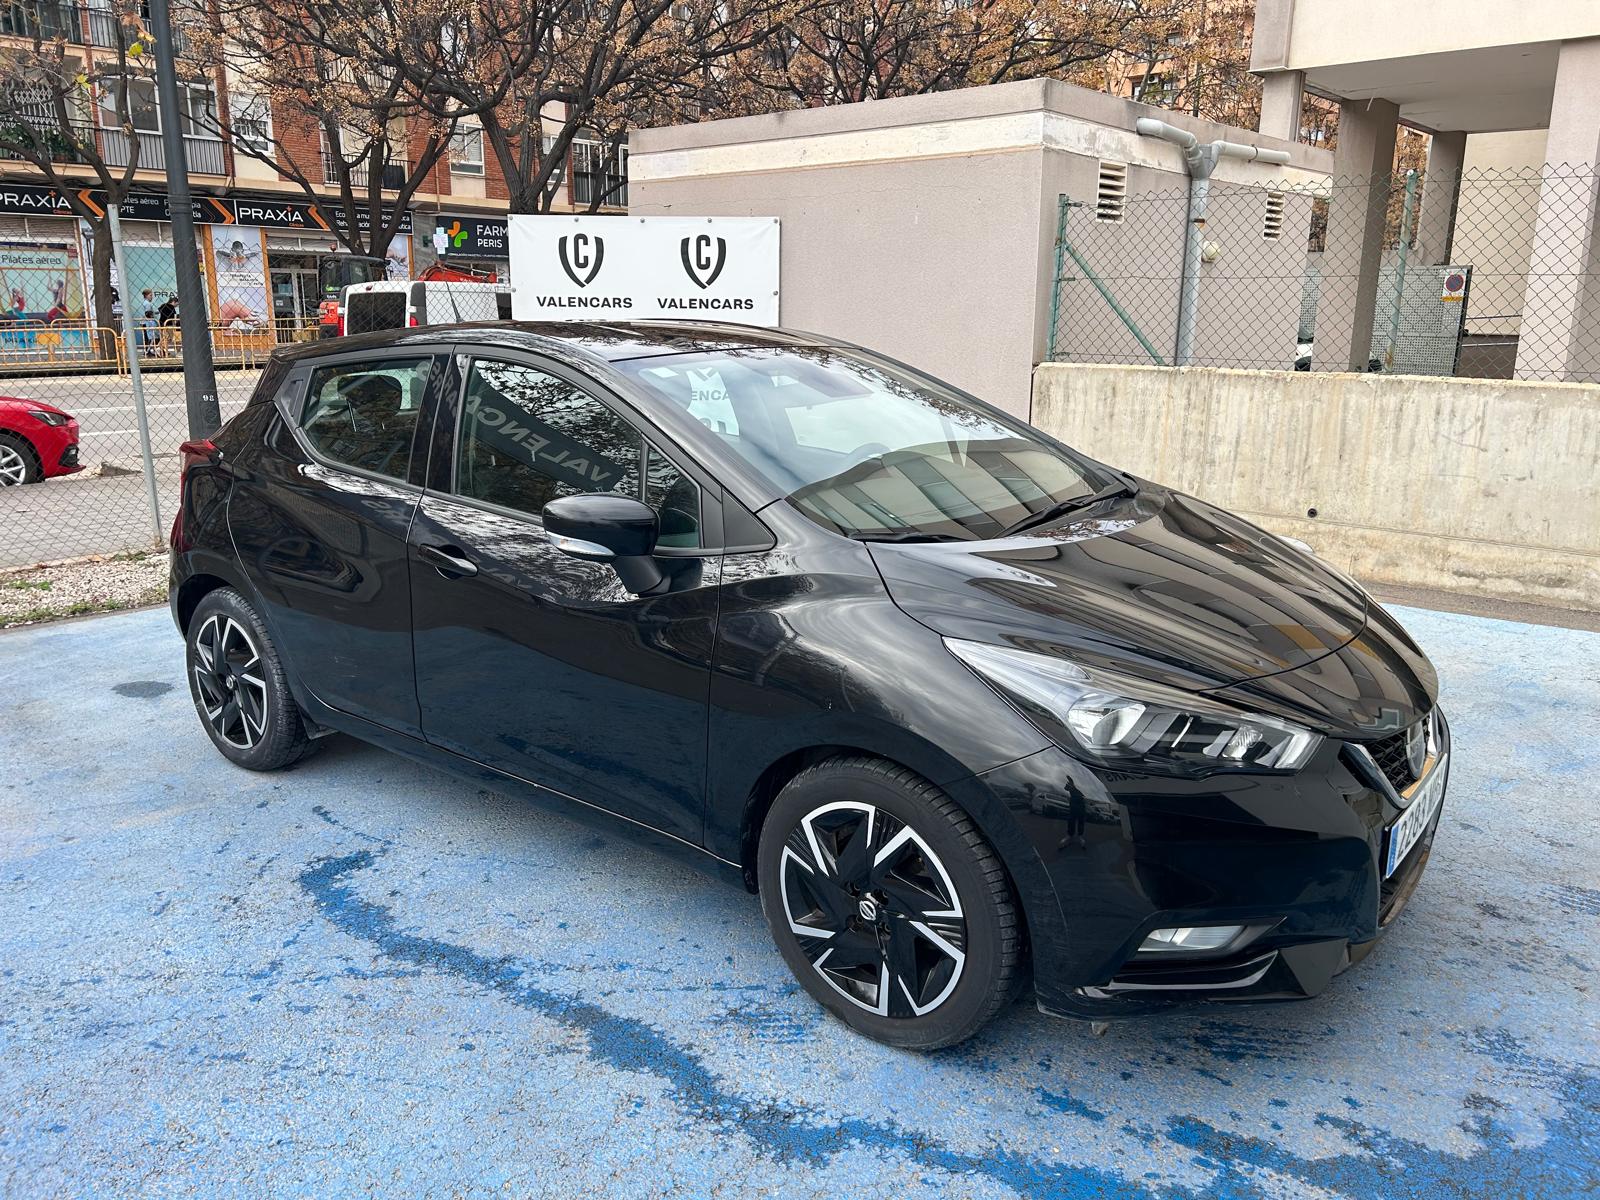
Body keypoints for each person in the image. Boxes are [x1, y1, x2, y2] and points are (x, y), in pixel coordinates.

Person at [137, 288, 156, 355]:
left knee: (146, 337)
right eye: (150, 295)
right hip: (147, 322)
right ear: (146, 295)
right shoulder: (147, 304)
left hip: (143, 322)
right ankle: (147, 351)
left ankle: (147, 350)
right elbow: (148, 314)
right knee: (149, 337)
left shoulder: (144, 303)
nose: (152, 297)